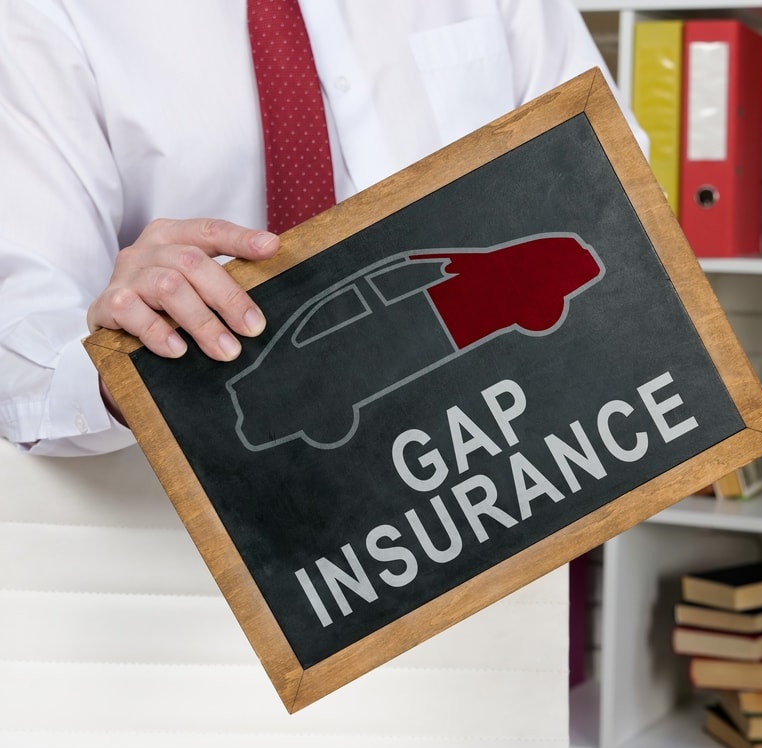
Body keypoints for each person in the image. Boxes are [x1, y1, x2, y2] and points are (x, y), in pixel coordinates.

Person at [0, 0, 648, 458]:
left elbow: (615, 190)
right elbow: (23, 349)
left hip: (510, 470)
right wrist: (127, 362)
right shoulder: (51, 14)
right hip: (215, 559)